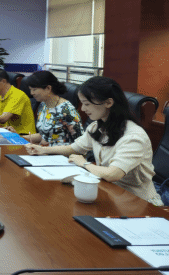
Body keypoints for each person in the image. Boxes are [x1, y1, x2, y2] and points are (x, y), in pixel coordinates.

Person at [25, 76, 163, 205]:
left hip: (139, 203)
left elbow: (113, 174)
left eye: (87, 104)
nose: (83, 109)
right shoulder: (97, 127)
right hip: (109, 193)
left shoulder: (133, 136)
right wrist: (43, 150)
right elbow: (74, 148)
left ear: (108, 102)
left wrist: (84, 164)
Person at [21, 71, 83, 145]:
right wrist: (18, 137)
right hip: (43, 149)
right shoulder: (43, 105)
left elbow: (79, 143)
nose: (31, 93)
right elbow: (44, 135)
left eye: (34, 89)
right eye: (30, 90)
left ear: (48, 88)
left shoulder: (66, 110)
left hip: (60, 151)